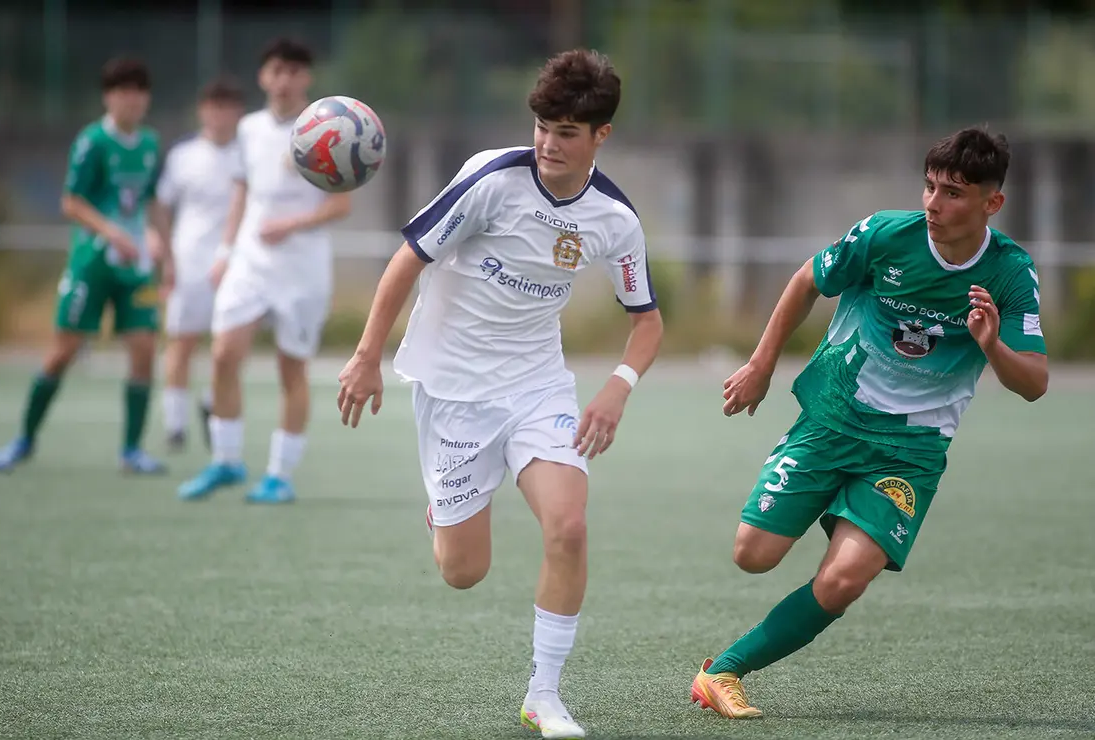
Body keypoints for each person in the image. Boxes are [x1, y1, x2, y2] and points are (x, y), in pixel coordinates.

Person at [336, 49, 664, 739]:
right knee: (463, 573)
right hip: (453, 390)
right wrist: (366, 357)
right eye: (542, 125)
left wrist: (617, 387)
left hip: (536, 384)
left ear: (602, 135)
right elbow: (407, 261)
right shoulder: (491, 180)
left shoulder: (614, 219)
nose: (548, 143)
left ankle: (544, 695)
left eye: (567, 131)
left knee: (568, 527)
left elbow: (648, 322)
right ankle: (444, 508)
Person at [690, 127, 1048, 720]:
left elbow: (1032, 383)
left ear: (992, 202)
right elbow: (808, 279)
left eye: (953, 193)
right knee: (752, 555)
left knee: (844, 581)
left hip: (910, 450)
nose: (934, 203)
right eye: (930, 187)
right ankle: (821, 498)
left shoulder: (1010, 272)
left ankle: (723, 670)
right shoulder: (885, 235)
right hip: (835, 418)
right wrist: (761, 364)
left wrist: (992, 345)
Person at [176, 38, 352, 504]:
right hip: (250, 263)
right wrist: (225, 250)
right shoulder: (249, 129)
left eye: (295, 71)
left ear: (306, 79)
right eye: (277, 70)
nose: (285, 79)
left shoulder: (325, 129)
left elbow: (341, 204)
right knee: (222, 355)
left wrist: (292, 224)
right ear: (263, 77)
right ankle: (226, 461)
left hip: (302, 268)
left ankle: (279, 475)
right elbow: (240, 192)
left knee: (291, 369)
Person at [0, 57, 171, 475]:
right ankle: (24, 440)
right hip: (92, 264)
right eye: (124, 91)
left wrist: (167, 253)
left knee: (143, 351)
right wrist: (112, 232)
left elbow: (154, 203)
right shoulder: (92, 142)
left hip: (136, 268)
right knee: (62, 353)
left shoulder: (149, 144)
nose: (133, 99)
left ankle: (131, 451)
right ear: (108, 97)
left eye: (140, 91)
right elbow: (71, 202)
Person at [153, 76, 245, 453]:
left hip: (236, 264)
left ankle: (212, 405)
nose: (220, 114)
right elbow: (160, 205)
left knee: (226, 346)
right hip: (189, 263)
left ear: (238, 112)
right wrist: (167, 254)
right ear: (202, 110)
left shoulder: (247, 154)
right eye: (213, 106)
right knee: (182, 341)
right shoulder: (183, 156)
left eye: (227, 106)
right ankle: (174, 424)